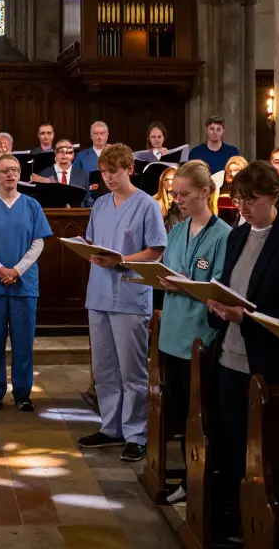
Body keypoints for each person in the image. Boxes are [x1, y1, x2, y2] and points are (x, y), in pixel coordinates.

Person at [204, 160, 279, 542]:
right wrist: (216, 303)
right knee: (229, 444)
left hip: (267, 363)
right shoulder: (237, 236)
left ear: (274, 196)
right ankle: (232, 519)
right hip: (228, 358)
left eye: (251, 200)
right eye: (238, 199)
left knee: (262, 451)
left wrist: (248, 317)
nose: (242, 207)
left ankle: (261, 522)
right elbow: (229, 284)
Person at [76, 144, 166, 463]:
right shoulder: (100, 204)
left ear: (129, 169)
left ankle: (136, 433)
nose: (108, 177)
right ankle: (110, 426)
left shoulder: (146, 205)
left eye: (114, 171)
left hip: (129, 293)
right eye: (104, 171)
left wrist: (123, 260)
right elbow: (91, 242)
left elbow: (156, 249)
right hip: (99, 293)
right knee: (104, 368)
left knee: (132, 370)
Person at [156, 159, 231, 505]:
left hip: (198, 336)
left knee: (199, 417)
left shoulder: (223, 235)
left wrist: (185, 285)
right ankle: (185, 476)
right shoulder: (176, 230)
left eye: (184, 194)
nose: (178, 200)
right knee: (176, 412)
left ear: (205, 192)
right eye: (175, 194)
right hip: (171, 332)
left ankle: (196, 480)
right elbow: (169, 270)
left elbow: (216, 287)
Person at [0, 153, 54, 412]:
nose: (10, 175)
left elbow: (38, 242)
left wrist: (17, 270)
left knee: (23, 342)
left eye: (14, 170)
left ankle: (23, 393)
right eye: (4, 170)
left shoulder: (31, 206)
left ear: (20, 174)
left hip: (23, 285)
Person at [154, 165, 183, 232]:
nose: (169, 183)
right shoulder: (154, 202)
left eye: (172, 179)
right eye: (166, 179)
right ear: (162, 182)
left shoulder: (185, 200)